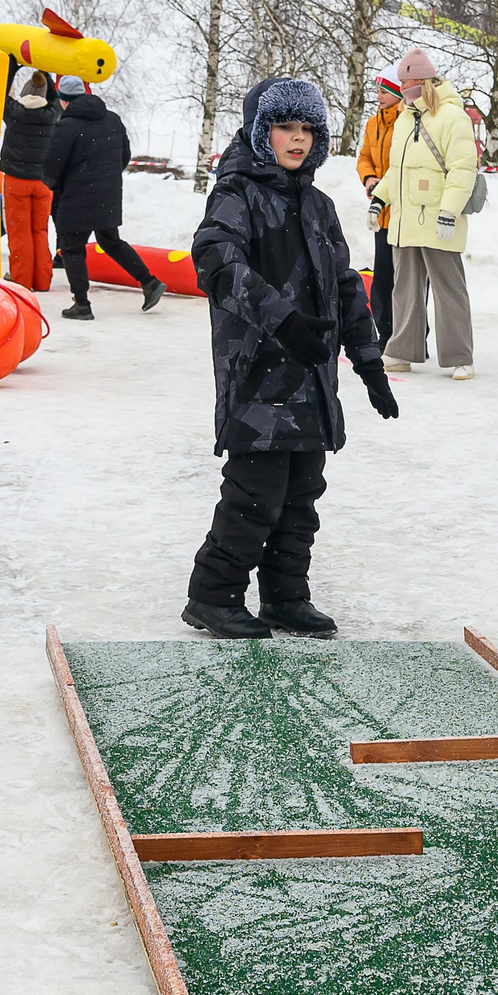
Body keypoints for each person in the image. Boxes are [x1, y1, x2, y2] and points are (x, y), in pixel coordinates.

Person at [184, 77, 397, 639]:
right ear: (261, 133)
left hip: (312, 376)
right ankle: (213, 594)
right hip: (258, 370)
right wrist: (281, 318)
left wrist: (369, 361)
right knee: (256, 492)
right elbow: (216, 261)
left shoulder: (319, 205)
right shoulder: (236, 193)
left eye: (307, 128)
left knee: (302, 493)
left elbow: (346, 284)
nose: (297, 139)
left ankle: (285, 594)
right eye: (284, 126)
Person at [373, 47, 478, 379]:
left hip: (438, 219)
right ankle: (401, 351)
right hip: (406, 220)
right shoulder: (406, 117)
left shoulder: (452, 116)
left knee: (449, 288)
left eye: (407, 83)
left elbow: (463, 169)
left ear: (421, 81)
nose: (403, 90)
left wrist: (448, 212)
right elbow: (396, 170)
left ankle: (460, 356)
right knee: (404, 288)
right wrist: (379, 199)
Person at [43, 76, 163, 320]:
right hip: (107, 194)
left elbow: (52, 166)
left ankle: (82, 304)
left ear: (64, 101)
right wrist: (106, 179)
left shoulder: (66, 126)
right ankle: (149, 281)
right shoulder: (112, 120)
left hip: (75, 197)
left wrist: (55, 185)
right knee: (110, 241)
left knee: (72, 248)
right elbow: (124, 155)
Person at [354, 70, 405, 343]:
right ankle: (384, 335)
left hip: (405, 213)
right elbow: (363, 157)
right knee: (382, 278)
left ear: (398, 93)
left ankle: (414, 336)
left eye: (384, 92)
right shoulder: (373, 124)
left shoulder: (408, 122)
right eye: (378, 92)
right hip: (381, 214)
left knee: (409, 279)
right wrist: (369, 176)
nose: (379, 97)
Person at [0, 67, 58, 291]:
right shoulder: (52, 114)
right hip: (43, 182)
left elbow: (1, 94)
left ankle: (22, 280)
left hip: (17, 180)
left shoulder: (14, 112)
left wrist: (12, 69)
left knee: (19, 231)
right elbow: (54, 97)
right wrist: (46, 73)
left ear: (24, 92)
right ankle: (43, 281)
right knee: (40, 231)